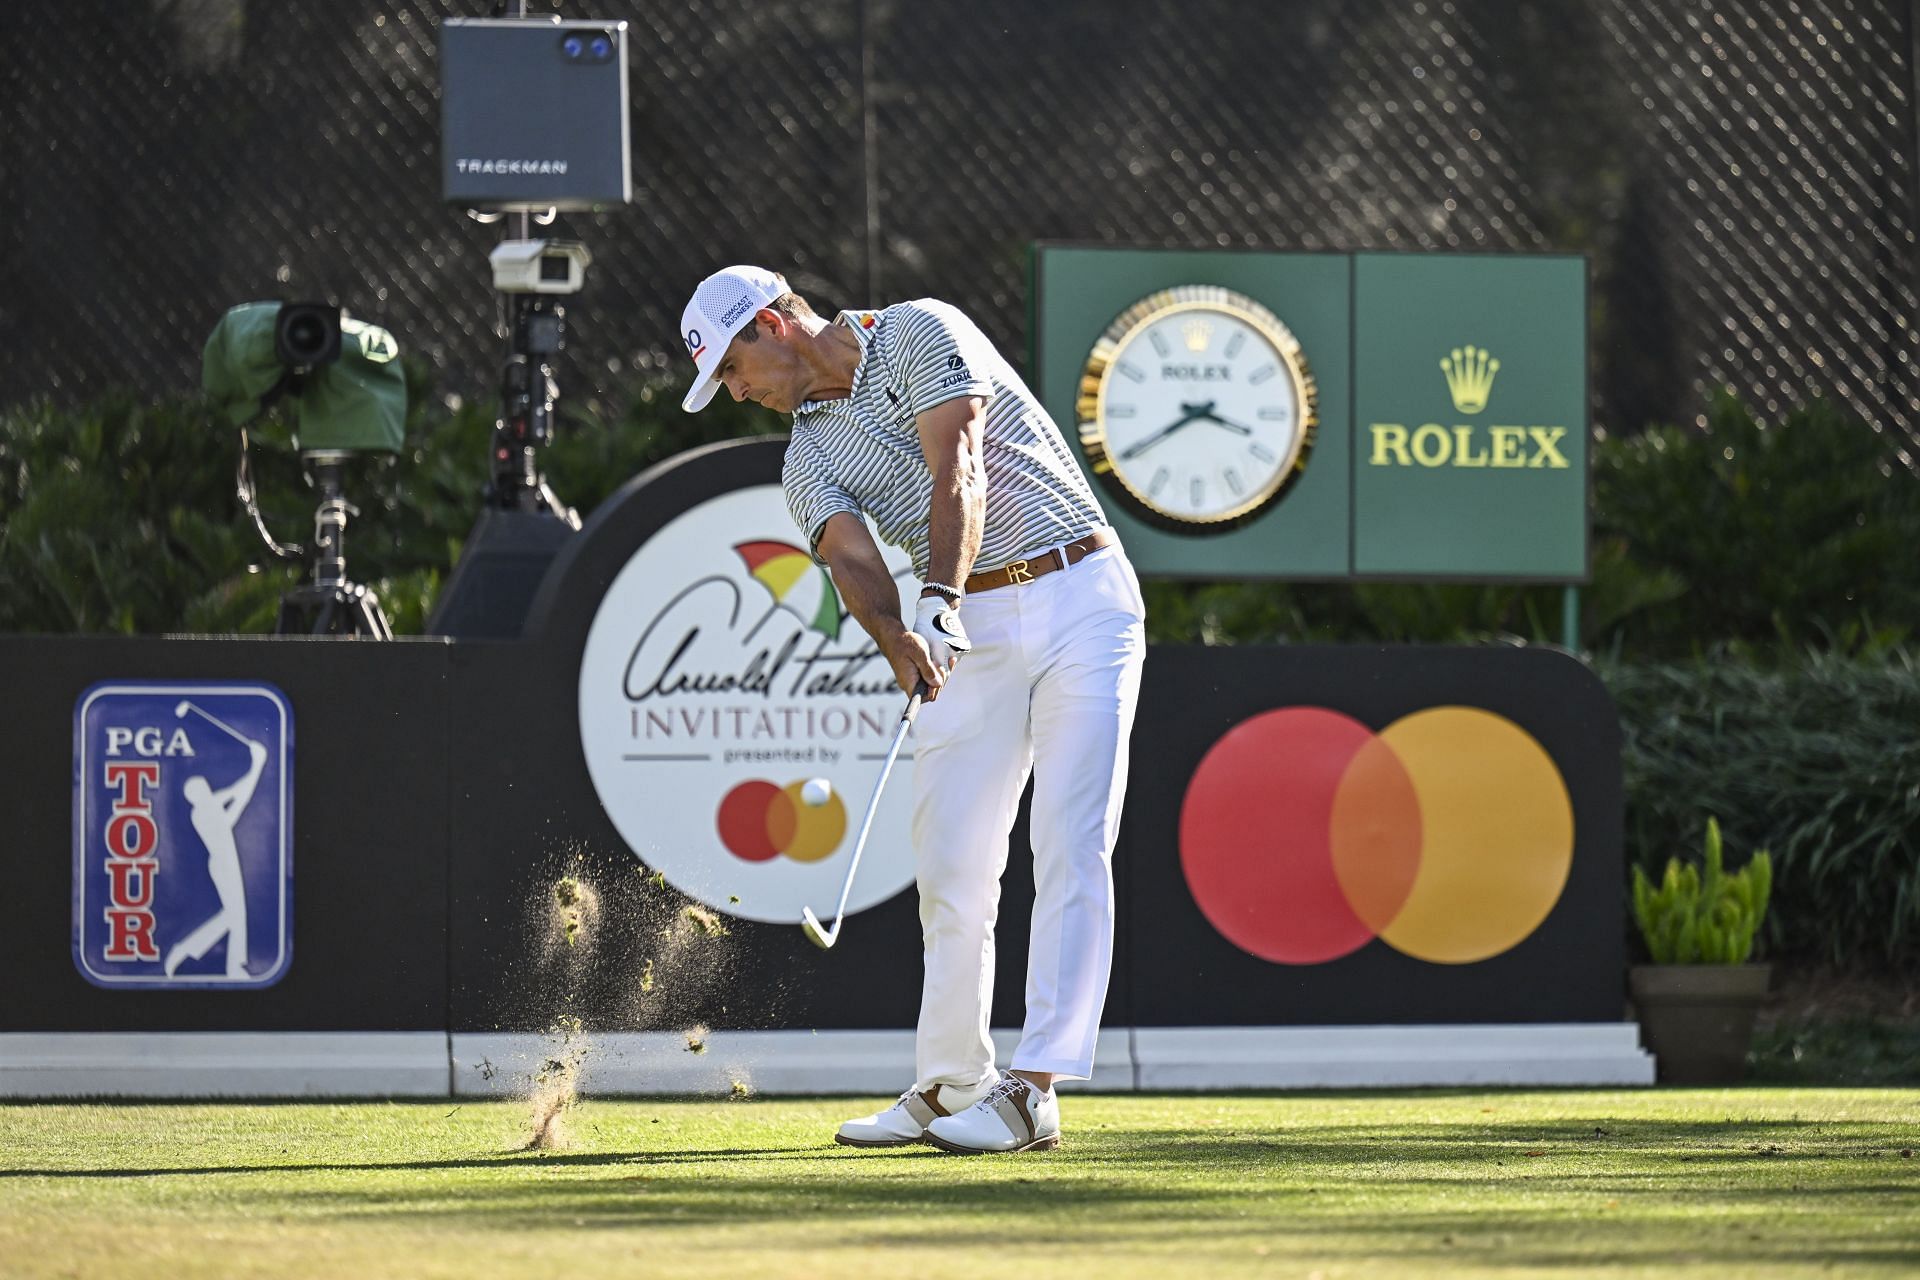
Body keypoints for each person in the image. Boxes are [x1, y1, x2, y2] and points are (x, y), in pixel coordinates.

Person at [680, 265, 1146, 1154]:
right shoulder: (805, 454)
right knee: (951, 859)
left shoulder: (918, 330)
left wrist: (937, 592)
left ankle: (1035, 1088)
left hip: (1080, 589)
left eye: (732, 371)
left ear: (774, 325)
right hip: (969, 623)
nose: (736, 393)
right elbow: (850, 561)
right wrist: (900, 637)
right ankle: (952, 1079)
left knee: (1071, 837)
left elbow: (958, 461)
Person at [165, 739, 268, 979]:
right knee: (232, 916)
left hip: (226, 862)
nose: (206, 788)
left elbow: (236, 791)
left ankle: (233, 966)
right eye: (202, 788)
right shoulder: (203, 812)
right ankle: (188, 949)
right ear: (195, 796)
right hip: (222, 864)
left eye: (205, 786)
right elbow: (238, 805)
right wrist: (258, 765)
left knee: (234, 916)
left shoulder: (209, 803)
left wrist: (256, 764)